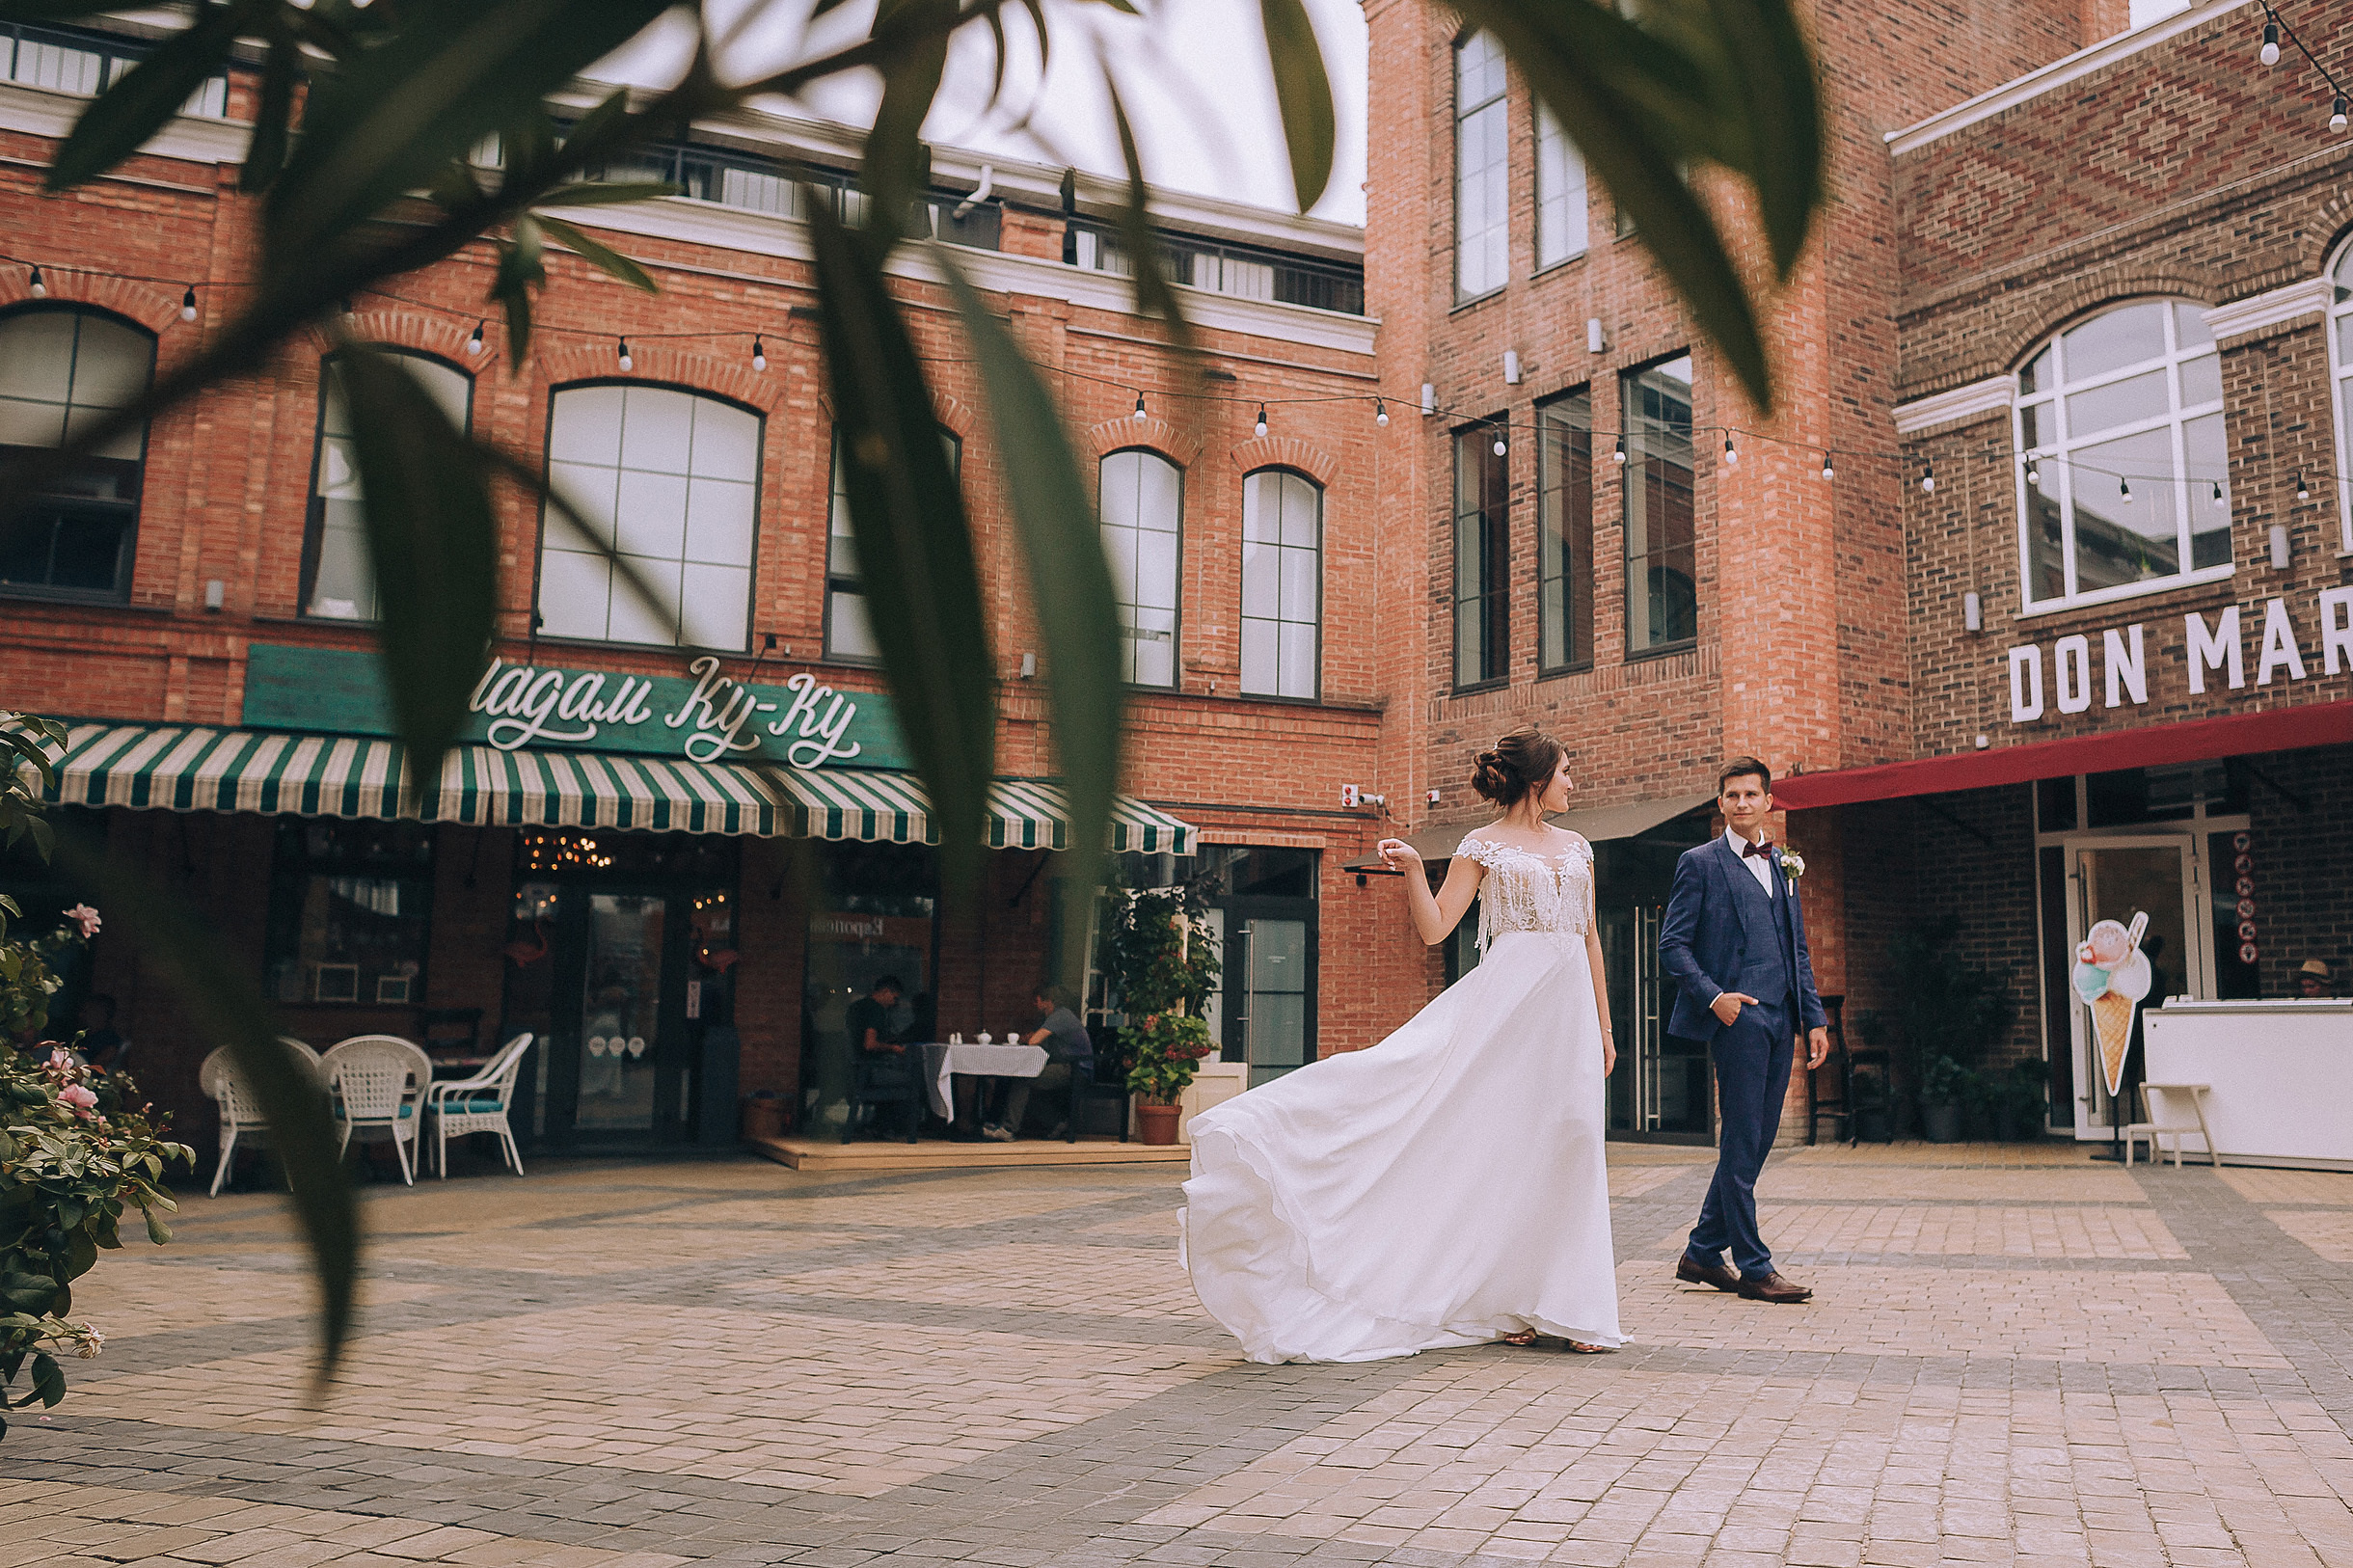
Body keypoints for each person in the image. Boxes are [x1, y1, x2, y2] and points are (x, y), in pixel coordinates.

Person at [1181, 724, 1622, 1363]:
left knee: (1573, 1139)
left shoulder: (1577, 847)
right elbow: (1437, 928)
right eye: (1566, 771)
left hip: (1568, 1016)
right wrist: (1417, 868)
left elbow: (1589, 939)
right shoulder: (1481, 846)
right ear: (1537, 779)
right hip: (1505, 1012)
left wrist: (1606, 1027)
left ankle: (1574, 1304)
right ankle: (1509, 1303)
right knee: (1504, 1147)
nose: (1573, 783)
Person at [1658, 757, 1830, 1306]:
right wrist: (1716, 998)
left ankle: (1704, 1251)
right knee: (1741, 1137)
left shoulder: (1784, 864)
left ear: (1768, 802)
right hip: (1737, 1020)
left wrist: (1815, 1018)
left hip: (1783, 1018)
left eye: (1750, 795)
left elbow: (1796, 949)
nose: (1740, 804)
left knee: (1755, 1139)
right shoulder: (1700, 863)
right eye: (1731, 796)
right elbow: (1673, 945)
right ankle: (1754, 1266)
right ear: (1720, 803)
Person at [982, 984, 1093, 1141]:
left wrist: (1031, 1038)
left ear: (1048, 1001)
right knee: (1023, 1083)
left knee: (1023, 1078)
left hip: (1076, 1069)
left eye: (1037, 1000)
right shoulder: (1054, 1017)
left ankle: (1008, 1129)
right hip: (1067, 1066)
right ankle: (1056, 1122)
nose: (1035, 1004)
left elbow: (1034, 1041)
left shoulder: (1061, 1016)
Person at [847, 975, 920, 1140]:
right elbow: (869, 1044)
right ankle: (889, 1128)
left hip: (855, 1068)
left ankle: (878, 1125)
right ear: (886, 991)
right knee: (913, 1079)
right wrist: (893, 1048)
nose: (894, 1003)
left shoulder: (856, 1007)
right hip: (869, 1069)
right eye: (894, 998)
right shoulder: (875, 1009)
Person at [72, 993, 127, 1072]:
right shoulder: (81, 1036)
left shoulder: (111, 1041)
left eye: (86, 1012)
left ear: (100, 1014)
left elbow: (95, 1068)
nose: (81, 1015)